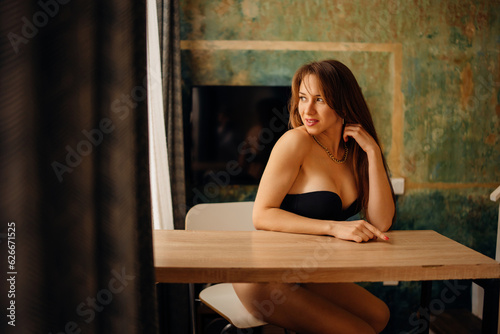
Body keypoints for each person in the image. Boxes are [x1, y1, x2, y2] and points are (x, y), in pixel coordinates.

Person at [233, 59, 396, 334]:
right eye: (303, 98)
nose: (307, 109)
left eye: (319, 99)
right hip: (265, 275)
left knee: (380, 315)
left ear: (343, 104)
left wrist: (373, 153)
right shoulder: (295, 142)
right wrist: (334, 228)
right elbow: (261, 215)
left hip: (307, 272)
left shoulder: (355, 152)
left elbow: (381, 223)